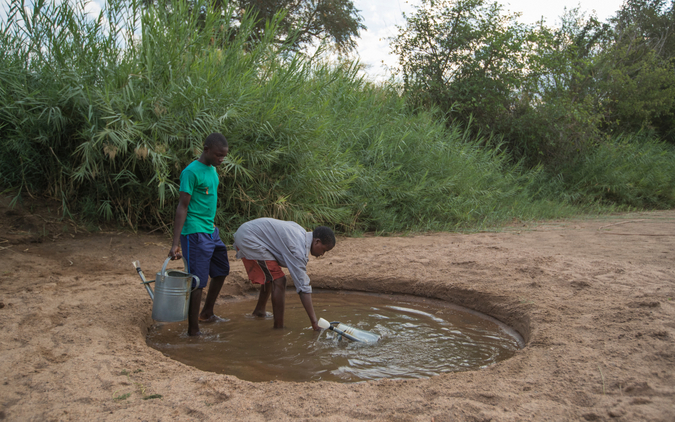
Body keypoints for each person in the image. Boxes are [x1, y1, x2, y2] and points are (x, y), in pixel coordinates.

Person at [168, 133, 230, 336]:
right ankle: (193, 331)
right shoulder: (191, 172)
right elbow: (182, 207)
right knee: (197, 282)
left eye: (224, 156)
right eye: (218, 155)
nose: (221, 159)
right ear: (206, 150)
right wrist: (175, 243)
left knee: (221, 270)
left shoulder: (213, 170)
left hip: (211, 231)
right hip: (194, 232)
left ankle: (207, 313)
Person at [232, 218, 335, 330]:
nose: (322, 254)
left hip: (248, 232)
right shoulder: (297, 249)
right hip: (249, 238)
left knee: (271, 274)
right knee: (280, 280)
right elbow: (303, 287)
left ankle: (259, 311)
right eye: (324, 250)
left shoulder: (300, 233)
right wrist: (315, 322)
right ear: (317, 242)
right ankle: (278, 327)